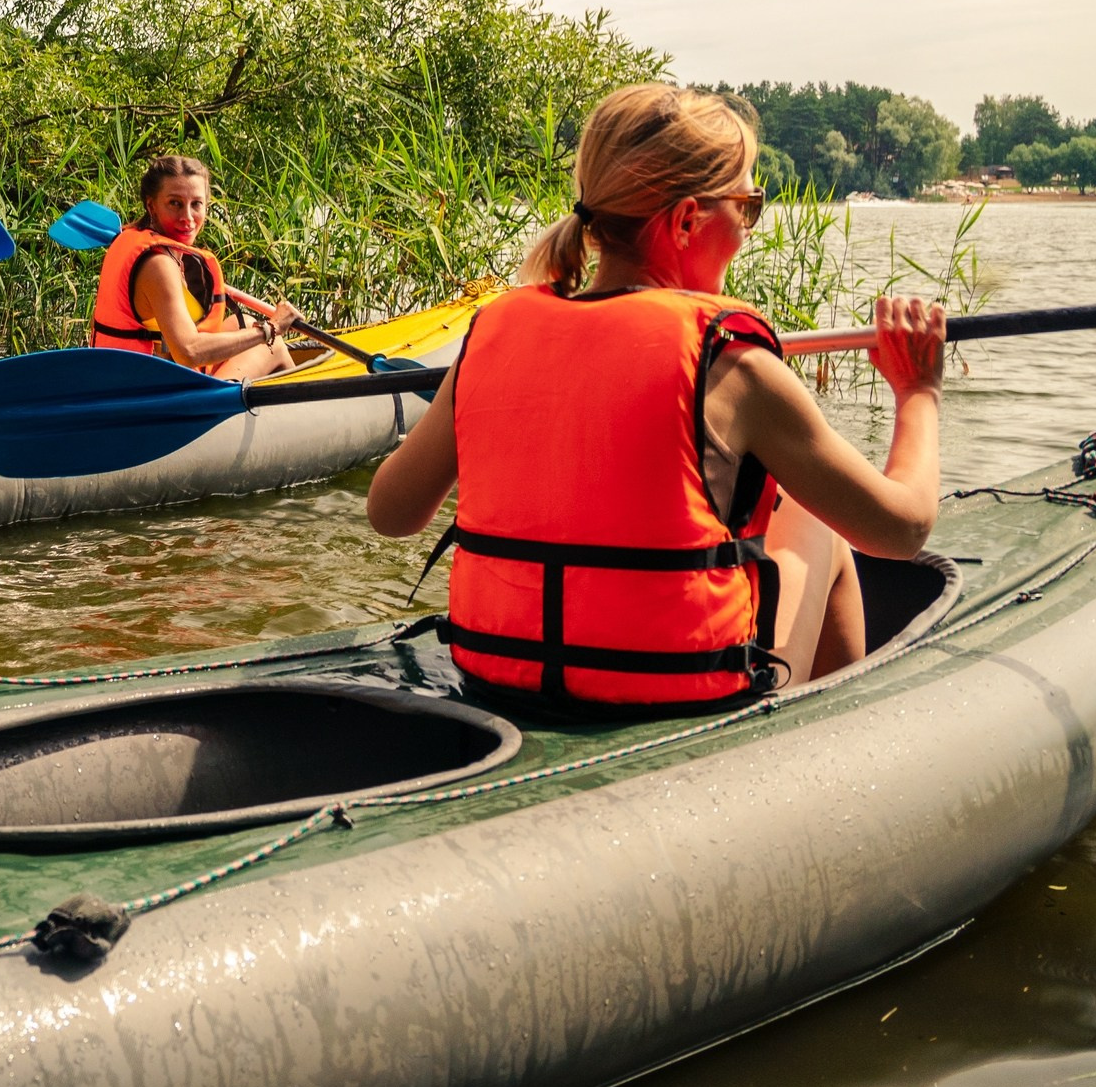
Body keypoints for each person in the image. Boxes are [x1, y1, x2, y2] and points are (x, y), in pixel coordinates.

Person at [366, 84, 944, 715]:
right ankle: (825, 751)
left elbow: (390, 512)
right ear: (688, 220)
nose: (749, 228)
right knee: (815, 523)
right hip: (671, 700)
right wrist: (918, 392)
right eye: (747, 206)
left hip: (500, 681)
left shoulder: (492, 333)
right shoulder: (734, 363)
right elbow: (902, 529)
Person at [88, 154, 299, 381]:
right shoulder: (157, 265)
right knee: (273, 345)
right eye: (175, 203)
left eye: (196, 204)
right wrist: (272, 327)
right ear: (152, 205)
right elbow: (189, 351)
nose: (187, 217)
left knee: (244, 322)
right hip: (144, 395)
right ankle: (303, 409)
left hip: (130, 376)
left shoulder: (134, 239)